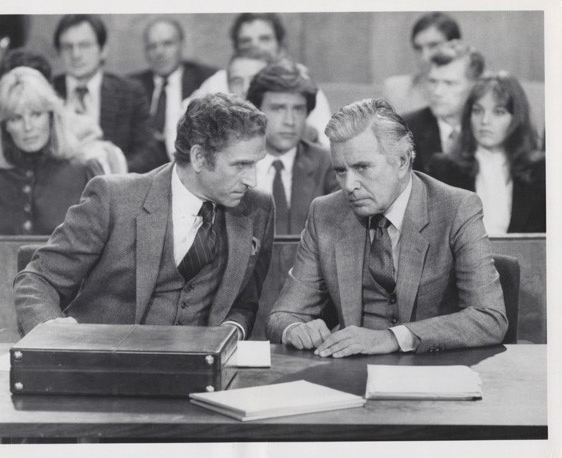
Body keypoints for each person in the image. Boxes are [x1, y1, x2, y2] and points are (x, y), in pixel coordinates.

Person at [14, 93, 274, 340]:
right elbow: (37, 279)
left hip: (201, 363)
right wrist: (53, 333)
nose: (252, 180)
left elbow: (244, 302)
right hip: (105, 359)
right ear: (199, 157)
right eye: (241, 165)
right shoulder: (113, 199)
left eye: (255, 164)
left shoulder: (258, 209)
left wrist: (232, 331)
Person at [266, 98, 507, 355]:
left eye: (362, 167)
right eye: (340, 171)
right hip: (353, 371)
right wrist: (295, 329)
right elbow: (283, 315)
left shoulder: (456, 208)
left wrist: (392, 338)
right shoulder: (324, 213)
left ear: (402, 161)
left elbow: (489, 317)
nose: (349, 185)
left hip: (433, 367)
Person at [0, 67, 103, 235]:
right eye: (16, 118)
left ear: (51, 117)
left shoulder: (83, 171)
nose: (28, 127)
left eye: (36, 114)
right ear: (4, 125)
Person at [426, 72, 545, 234]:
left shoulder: (540, 170)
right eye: (477, 111)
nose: (485, 121)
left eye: (499, 112)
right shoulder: (443, 168)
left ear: (516, 118)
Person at [197, 13, 332, 147]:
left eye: (264, 39)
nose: (255, 46)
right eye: (246, 41)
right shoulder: (217, 81)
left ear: (280, 46)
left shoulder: (301, 83)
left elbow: (324, 142)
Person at [52, 14, 159, 173]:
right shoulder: (48, 91)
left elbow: (149, 152)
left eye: (84, 45)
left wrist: (112, 173)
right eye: (67, 47)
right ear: (59, 52)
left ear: (103, 50)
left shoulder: (129, 92)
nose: (76, 54)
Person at [246, 59, 338, 235]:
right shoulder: (234, 164)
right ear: (256, 111)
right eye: (278, 108)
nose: (289, 121)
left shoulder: (328, 165)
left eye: (298, 109)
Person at [130, 18, 217, 163]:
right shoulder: (132, 86)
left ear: (182, 45)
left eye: (167, 44)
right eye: (152, 46)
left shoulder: (205, 80)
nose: (159, 52)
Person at [403, 40, 485, 173]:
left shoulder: (489, 128)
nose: (437, 92)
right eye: (433, 81)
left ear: (476, 86)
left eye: (449, 83)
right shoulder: (405, 130)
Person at [383, 12, 461, 114]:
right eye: (418, 48)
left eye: (433, 46)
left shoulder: (469, 91)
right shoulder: (395, 89)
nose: (424, 57)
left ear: (455, 47)